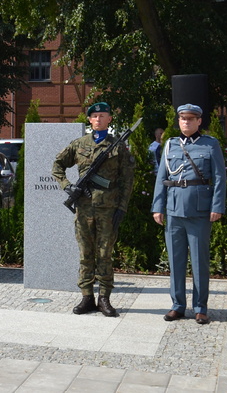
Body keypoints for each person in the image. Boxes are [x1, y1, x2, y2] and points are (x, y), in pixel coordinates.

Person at [52, 101, 135, 317]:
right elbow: (57, 165)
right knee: (85, 254)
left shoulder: (118, 146)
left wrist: (122, 208)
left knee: (105, 254)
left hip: (108, 210)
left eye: (103, 115)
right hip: (84, 209)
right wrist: (67, 186)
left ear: (109, 119)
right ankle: (86, 297)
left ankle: (104, 298)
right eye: (95, 116)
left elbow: (127, 180)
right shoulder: (79, 144)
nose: (98, 119)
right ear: (89, 120)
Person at [151, 104, 226, 325]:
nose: (186, 122)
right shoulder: (170, 145)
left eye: (191, 119)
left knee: (199, 260)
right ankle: (177, 305)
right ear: (179, 121)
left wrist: (217, 206)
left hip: (200, 211)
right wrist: (158, 206)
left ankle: (201, 307)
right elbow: (161, 177)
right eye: (183, 119)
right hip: (174, 211)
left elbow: (220, 177)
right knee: (175, 260)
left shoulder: (211, 145)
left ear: (199, 121)